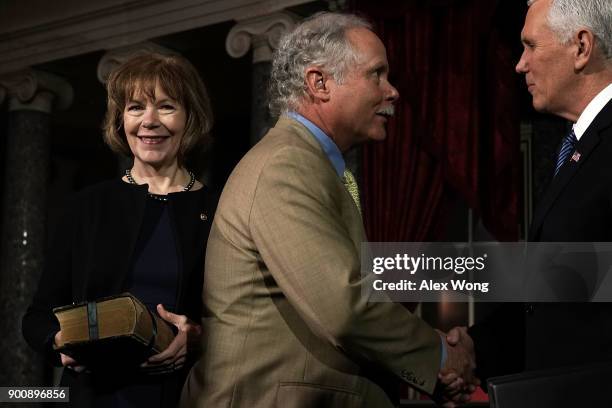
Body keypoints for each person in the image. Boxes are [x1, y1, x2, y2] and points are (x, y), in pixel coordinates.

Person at [181, 12, 476, 408]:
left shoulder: (308, 164)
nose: (392, 92)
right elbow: (344, 308)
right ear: (319, 83)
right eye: (377, 74)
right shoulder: (285, 165)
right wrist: (441, 356)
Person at [22, 53, 216, 407]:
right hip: (92, 396)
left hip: (183, 396)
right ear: (119, 120)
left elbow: (242, 318)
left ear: (190, 118)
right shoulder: (88, 206)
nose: (149, 121)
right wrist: (59, 341)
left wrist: (199, 337)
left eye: (167, 107)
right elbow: (37, 317)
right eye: (136, 107)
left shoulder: (218, 209)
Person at [445, 0, 612, 384]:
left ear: (581, 47)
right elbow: (556, 291)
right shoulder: (578, 146)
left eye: (531, 45)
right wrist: (476, 347)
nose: (520, 64)